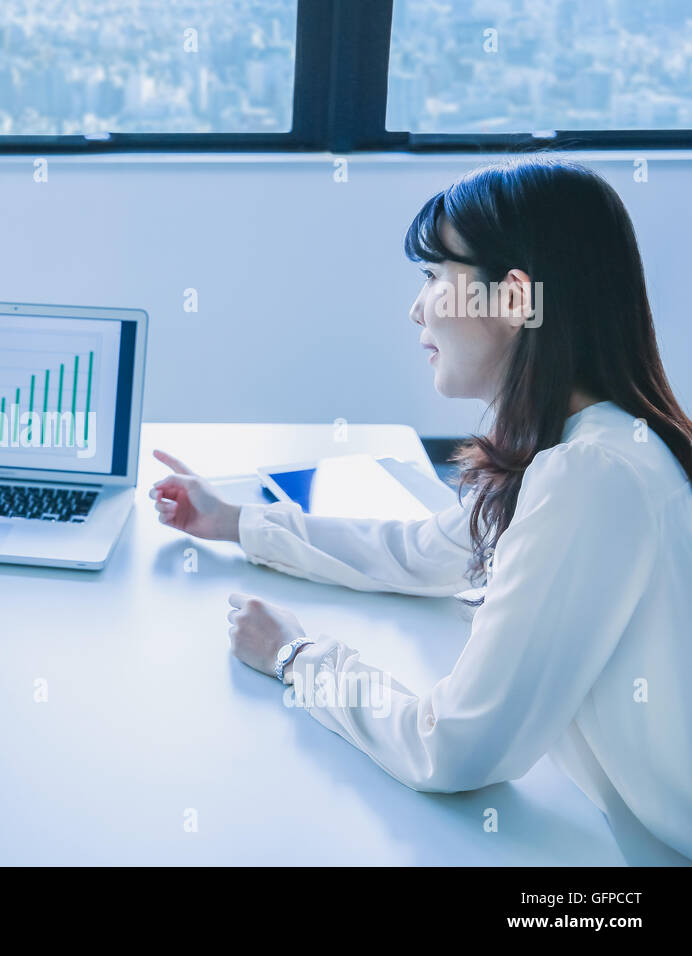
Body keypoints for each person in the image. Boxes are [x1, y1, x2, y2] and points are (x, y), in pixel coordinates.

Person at [150, 157, 692, 864]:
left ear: (513, 299)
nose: (417, 307)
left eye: (435, 277)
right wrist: (236, 522)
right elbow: (424, 550)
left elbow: (453, 748)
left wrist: (295, 655)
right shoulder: (594, 442)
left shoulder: (592, 476)